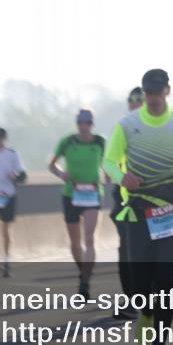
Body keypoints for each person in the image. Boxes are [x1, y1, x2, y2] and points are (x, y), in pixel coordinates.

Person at [103, 69, 173, 345]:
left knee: (165, 280)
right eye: (149, 92)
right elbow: (109, 162)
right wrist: (121, 177)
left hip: (171, 211)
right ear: (144, 92)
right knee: (140, 281)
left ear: (167, 90)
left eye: (158, 92)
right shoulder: (127, 124)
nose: (153, 98)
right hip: (137, 212)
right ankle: (145, 313)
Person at [50, 108, 106, 298]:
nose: (84, 126)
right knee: (74, 244)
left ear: (92, 124)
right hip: (71, 195)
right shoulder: (67, 142)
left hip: (92, 193)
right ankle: (83, 272)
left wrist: (109, 174)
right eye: (81, 123)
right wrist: (61, 174)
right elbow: (52, 164)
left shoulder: (100, 142)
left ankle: (85, 282)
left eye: (87, 123)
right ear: (77, 124)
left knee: (89, 239)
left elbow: (109, 163)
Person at [109, 87, 144, 320]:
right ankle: (131, 300)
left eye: (139, 100)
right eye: (131, 101)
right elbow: (110, 161)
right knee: (127, 250)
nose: (135, 104)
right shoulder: (121, 128)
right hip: (125, 199)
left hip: (155, 199)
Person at [0, 128, 26, 277]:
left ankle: (7, 261)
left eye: (2, 138)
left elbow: (23, 175)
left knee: (6, 231)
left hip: (8, 195)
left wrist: (15, 175)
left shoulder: (13, 154)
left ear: (5, 139)